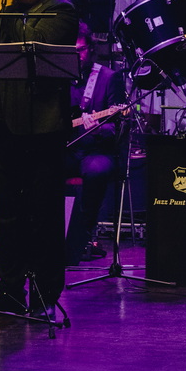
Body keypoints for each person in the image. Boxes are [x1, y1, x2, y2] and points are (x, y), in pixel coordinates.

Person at [0, 0, 81, 314]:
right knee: (6, 212)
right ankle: (10, 290)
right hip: (4, 122)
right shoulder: (5, 4)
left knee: (42, 214)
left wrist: (3, 7)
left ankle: (45, 293)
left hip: (43, 129)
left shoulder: (61, 9)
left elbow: (29, 47)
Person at [63, 41, 126, 264]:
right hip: (69, 149)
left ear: (91, 49)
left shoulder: (109, 77)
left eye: (80, 50)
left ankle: (84, 235)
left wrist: (98, 129)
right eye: (71, 50)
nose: (76, 55)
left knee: (96, 170)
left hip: (97, 150)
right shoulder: (62, 77)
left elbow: (118, 126)